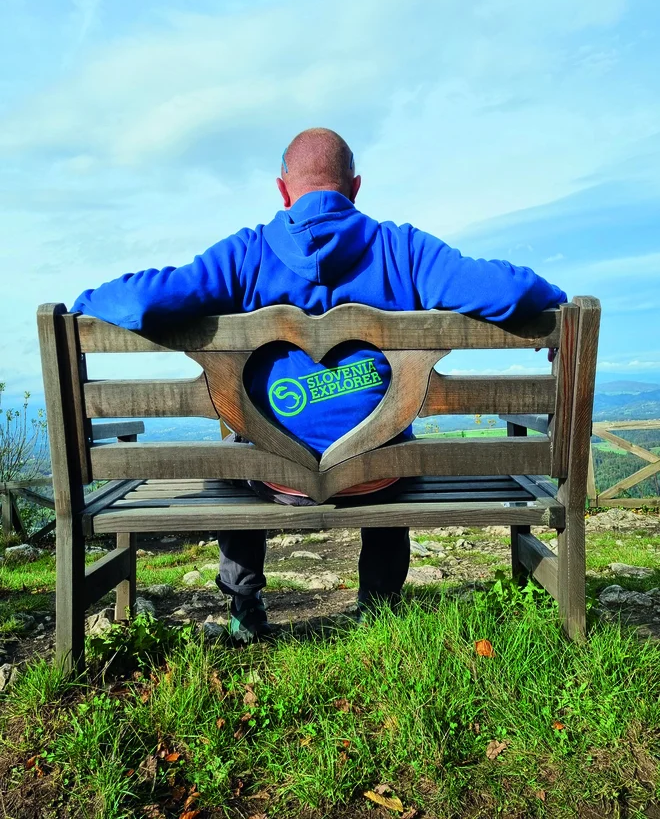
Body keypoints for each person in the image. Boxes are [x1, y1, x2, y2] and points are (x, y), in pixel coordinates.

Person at [73, 127, 567, 641]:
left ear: (283, 191)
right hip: (377, 477)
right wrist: (553, 306)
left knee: (232, 454)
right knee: (387, 437)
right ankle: (378, 608)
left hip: (273, 475)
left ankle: (244, 609)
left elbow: (143, 303)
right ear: (354, 188)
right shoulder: (401, 248)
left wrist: (85, 301)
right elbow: (505, 289)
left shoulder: (246, 253)